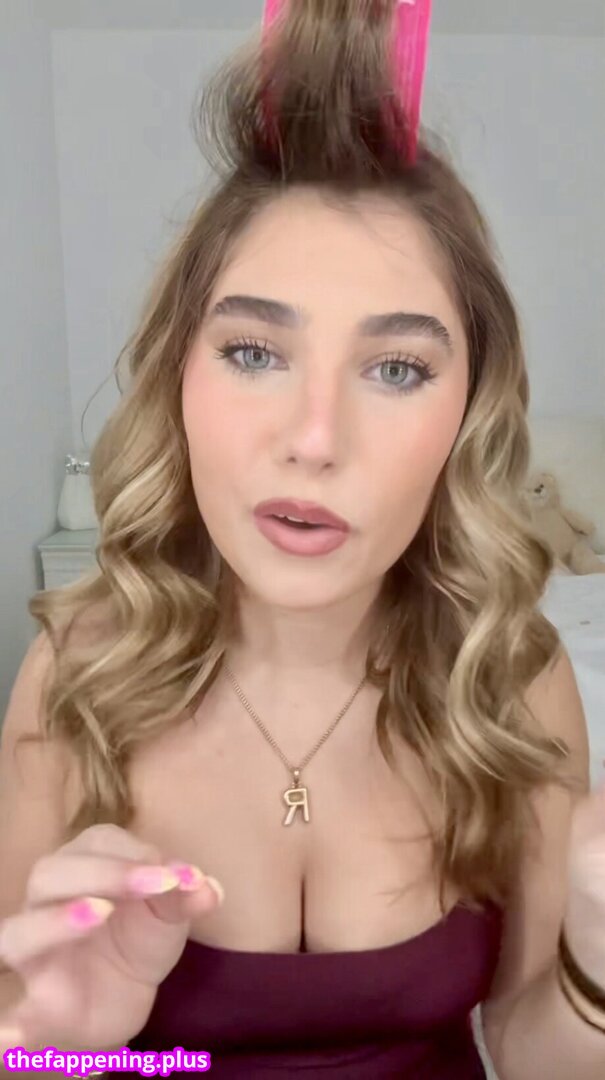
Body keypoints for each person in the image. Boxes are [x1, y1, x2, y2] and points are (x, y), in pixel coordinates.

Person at [0, 2, 603, 1078]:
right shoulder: (77, 675)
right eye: (252, 353)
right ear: (177, 376)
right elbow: (26, 1056)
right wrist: (63, 1049)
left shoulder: (512, 681)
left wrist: (592, 980)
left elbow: (527, 1046)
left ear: (466, 417)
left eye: (396, 369)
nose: (314, 439)